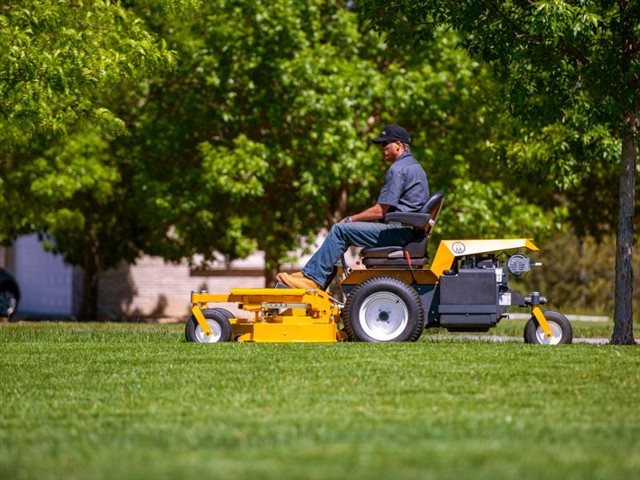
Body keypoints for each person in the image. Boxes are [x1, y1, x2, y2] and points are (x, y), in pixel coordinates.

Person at [277, 124, 430, 289]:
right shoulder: (416, 167)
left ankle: (313, 279)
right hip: (407, 232)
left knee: (340, 230)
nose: (382, 149)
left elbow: (380, 211)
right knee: (343, 230)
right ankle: (310, 273)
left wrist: (350, 219)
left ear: (398, 145)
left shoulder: (397, 169)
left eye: (385, 144)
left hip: (398, 232)